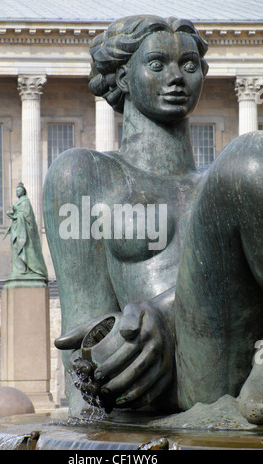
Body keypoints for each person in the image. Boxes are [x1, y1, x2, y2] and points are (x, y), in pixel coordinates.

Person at [43, 15, 263, 423]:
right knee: (248, 159)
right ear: (123, 77)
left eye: (190, 65)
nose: (177, 77)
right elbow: (83, 364)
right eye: (158, 64)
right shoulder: (85, 174)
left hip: (239, 356)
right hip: (168, 382)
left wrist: (163, 311)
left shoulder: (220, 187)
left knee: (248, 163)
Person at [5, 182, 48, 283]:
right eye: (16, 190)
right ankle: (19, 270)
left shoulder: (26, 201)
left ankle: (30, 269)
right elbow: (18, 214)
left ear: (23, 191)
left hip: (24, 231)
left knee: (25, 248)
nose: (17, 192)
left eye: (19, 190)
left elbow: (27, 216)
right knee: (16, 250)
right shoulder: (18, 202)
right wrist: (13, 215)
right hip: (17, 229)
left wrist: (15, 215)